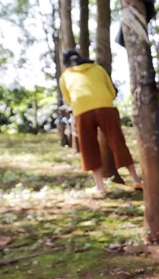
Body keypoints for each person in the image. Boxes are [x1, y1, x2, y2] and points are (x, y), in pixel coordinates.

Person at [58, 49, 142, 194]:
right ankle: (136, 180)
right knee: (118, 142)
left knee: (88, 147)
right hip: (106, 107)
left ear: (65, 63)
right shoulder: (97, 68)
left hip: (82, 110)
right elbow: (112, 91)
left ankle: (99, 187)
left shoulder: (65, 76)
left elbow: (68, 99)